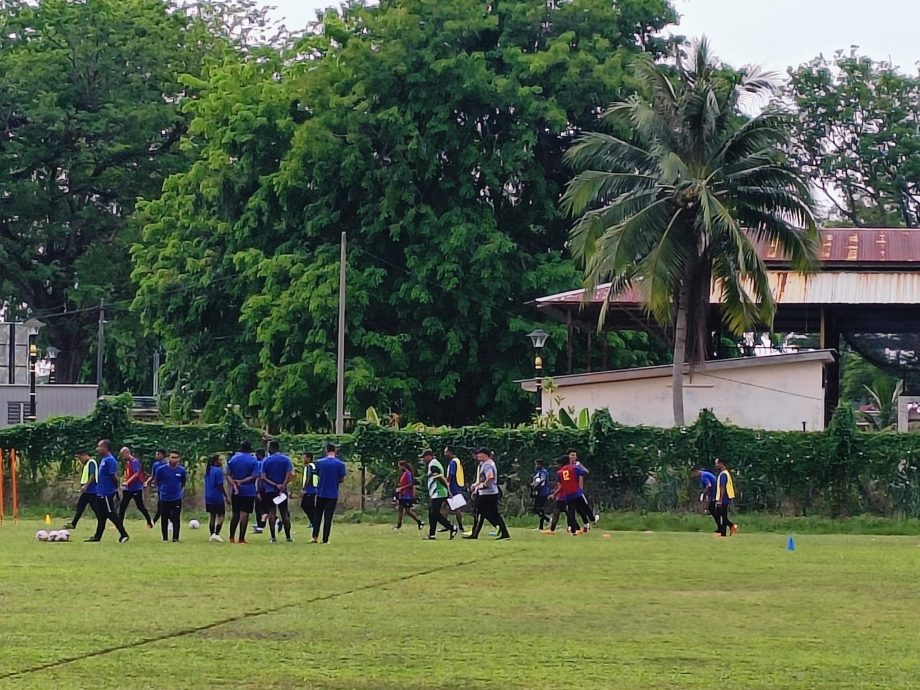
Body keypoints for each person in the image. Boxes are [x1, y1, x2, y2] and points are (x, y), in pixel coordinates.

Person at [87, 439, 129, 543]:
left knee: (111, 514)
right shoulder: (103, 459)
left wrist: (116, 489)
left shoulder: (110, 460)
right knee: (101, 516)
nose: (98, 449)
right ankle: (97, 537)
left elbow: (113, 476)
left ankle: (124, 534)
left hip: (107, 492)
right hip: (101, 492)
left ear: (105, 448)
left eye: (99, 447)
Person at [465, 448, 509, 540]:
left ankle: (475, 534)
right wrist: (477, 485)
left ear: (485, 455)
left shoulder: (487, 464)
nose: (478, 456)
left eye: (479, 454)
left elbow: (490, 477)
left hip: (487, 493)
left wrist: (483, 486)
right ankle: (504, 533)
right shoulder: (487, 463)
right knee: (494, 514)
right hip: (492, 492)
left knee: (479, 512)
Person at [312, 443, 347, 544]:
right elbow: (342, 479)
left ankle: (315, 537)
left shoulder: (319, 463)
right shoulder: (340, 464)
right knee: (328, 517)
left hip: (320, 492)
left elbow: (316, 475)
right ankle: (325, 539)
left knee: (317, 516)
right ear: (335, 451)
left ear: (326, 450)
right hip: (332, 494)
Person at [227, 440, 260, 544]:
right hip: (248, 490)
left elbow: (227, 474)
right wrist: (242, 481)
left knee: (235, 513)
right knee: (244, 513)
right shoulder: (253, 460)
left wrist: (234, 484)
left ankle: (231, 537)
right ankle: (241, 538)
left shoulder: (233, 458)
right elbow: (254, 475)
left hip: (235, 491)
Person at [262, 440, 294, 543]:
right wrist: (283, 485)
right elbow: (290, 475)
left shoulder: (266, 460)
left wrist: (274, 484)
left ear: (271, 448)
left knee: (272, 512)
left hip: (270, 490)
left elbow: (263, 477)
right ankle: (288, 537)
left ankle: (273, 537)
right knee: (284, 513)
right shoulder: (286, 460)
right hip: (282, 491)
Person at [424, 450, 458, 540]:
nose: (424, 459)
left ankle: (451, 527)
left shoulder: (433, 465)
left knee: (435, 513)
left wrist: (447, 488)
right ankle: (432, 534)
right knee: (432, 514)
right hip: (437, 492)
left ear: (429, 456)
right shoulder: (435, 463)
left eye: (424, 457)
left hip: (438, 492)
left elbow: (440, 478)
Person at [154, 450, 187, 542]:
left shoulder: (181, 470)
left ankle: (175, 538)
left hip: (176, 497)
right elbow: (157, 481)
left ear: (179, 459)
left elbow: (183, 482)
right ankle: (165, 538)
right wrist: (161, 490)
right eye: (172, 457)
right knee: (164, 517)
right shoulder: (162, 469)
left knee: (176, 518)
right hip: (164, 497)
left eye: (175, 458)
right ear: (168, 458)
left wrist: (180, 492)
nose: (173, 459)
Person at [558, 455, 593, 535]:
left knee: (571, 512)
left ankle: (573, 531)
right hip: (576, 493)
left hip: (567, 495)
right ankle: (592, 520)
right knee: (585, 507)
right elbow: (585, 472)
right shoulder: (574, 468)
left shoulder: (559, 472)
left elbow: (561, 484)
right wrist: (580, 466)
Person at [118, 446, 152, 528]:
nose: (122, 457)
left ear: (127, 453)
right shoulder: (128, 462)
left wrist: (127, 482)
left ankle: (149, 521)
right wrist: (125, 480)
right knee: (122, 506)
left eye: (123, 455)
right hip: (128, 489)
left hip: (136, 488)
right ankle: (119, 525)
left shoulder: (134, 462)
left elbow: (136, 474)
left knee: (140, 506)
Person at [64, 450, 99, 530]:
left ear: (84, 455)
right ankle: (73, 524)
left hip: (92, 491)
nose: (80, 460)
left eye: (80, 458)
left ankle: (102, 521)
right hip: (87, 491)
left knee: (96, 508)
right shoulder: (87, 464)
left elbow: (92, 476)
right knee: (80, 507)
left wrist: (86, 486)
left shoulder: (91, 462)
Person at [568, 449, 599, 525]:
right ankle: (578, 525)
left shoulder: (577, 466)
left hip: (577, 491)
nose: (573, 457)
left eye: (574, 455)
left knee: (583, 507)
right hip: (568, 491)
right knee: (573, 509)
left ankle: (589, 520)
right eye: (571, 455)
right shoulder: (566, 467)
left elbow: (584, 473)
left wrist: (580, 466)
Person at [204, 455, 228, 542]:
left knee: (212, 516)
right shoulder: (218, 471)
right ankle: (216, 533)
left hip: (208, 496)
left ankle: (211, 534)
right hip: (216, 496)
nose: (221, 462)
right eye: (220, 460)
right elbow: (220, 485)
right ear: (216, 461)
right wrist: (226, 496)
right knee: (221, 515)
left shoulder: (208, 470)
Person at [394, 460, 423, 531]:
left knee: (407, 511)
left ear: (403, 466)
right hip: (402, 495)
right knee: (400, 509)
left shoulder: (408, 474)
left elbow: (410, 484)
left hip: (407, 495)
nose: (400, 468)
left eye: (400, 467)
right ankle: (398, 525)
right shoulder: (404, 474)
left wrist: (401, 488)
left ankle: (419, 521)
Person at [444, 446, 466, 533]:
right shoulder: (457, 461)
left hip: (453, 488)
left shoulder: (453, 462)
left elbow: (451, 474)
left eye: (446, 452)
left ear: (450, 452)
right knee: (445, 507)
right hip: (457, 486)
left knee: (456, 508)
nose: (445, 454)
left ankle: (459, 526)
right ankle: (447, 524)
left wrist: (447, 482)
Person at [714, 458, 738, 537]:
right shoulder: (726, 473)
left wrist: (720, 500)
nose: (716, 465)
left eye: (717, 463)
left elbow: (722, 487)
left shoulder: (723, 474)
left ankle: (726, 531)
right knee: (722, 515)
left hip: (723, 498)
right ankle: (728, 529)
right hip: (726, 498)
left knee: (721, 515)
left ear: (721, 464)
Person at [692, 466, 719, 533]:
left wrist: (705, 494)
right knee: (712, 510)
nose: (694, 475)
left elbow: (709, 485)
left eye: (694, 473)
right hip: (715, 493)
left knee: (712, 510)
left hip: (714, 494)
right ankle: (720, 526)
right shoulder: (705, 474)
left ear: (696, 471)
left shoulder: (703, 476)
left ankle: (721, 526)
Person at [147, 449, 167, 525]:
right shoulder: (155, 465)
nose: (156, 456)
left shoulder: (167, 464)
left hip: (166, 488)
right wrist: (147, 482)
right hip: (159, 488)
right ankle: (154, 521)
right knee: (160, 505)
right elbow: (153, 476)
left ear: (162, 455)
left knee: (162, 506)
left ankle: (154, 521)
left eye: (158, 454)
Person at [531, 459, 552, 530]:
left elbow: (541, 481)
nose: (535, 466)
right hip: (540, 492)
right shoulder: (538, 472)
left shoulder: (543, 472)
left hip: (543, 492)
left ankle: (548, 519)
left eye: (536, 464)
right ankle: (541, 526)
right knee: (540, 509)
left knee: (537, 508)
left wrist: (535, 486)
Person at [300, 452, 318, 529]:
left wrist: (304, 487)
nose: (303, 459)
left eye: (304, 458)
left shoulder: (308, 466)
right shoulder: (314, 465)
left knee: (305, 505)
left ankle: (314, 521)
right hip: (314, 488)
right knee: (311, 506)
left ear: (309, 458)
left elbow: (308, 477)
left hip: (309, 489)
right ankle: (313, 521)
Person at [253, 448, 267, 534]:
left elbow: (259, 478)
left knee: (259, 508)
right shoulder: (266, 463)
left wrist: (257, 491)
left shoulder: (258, 464)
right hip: (267, 488)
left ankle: (260, 526)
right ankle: (260, 525)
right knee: (265, 507)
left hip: (260, 488)